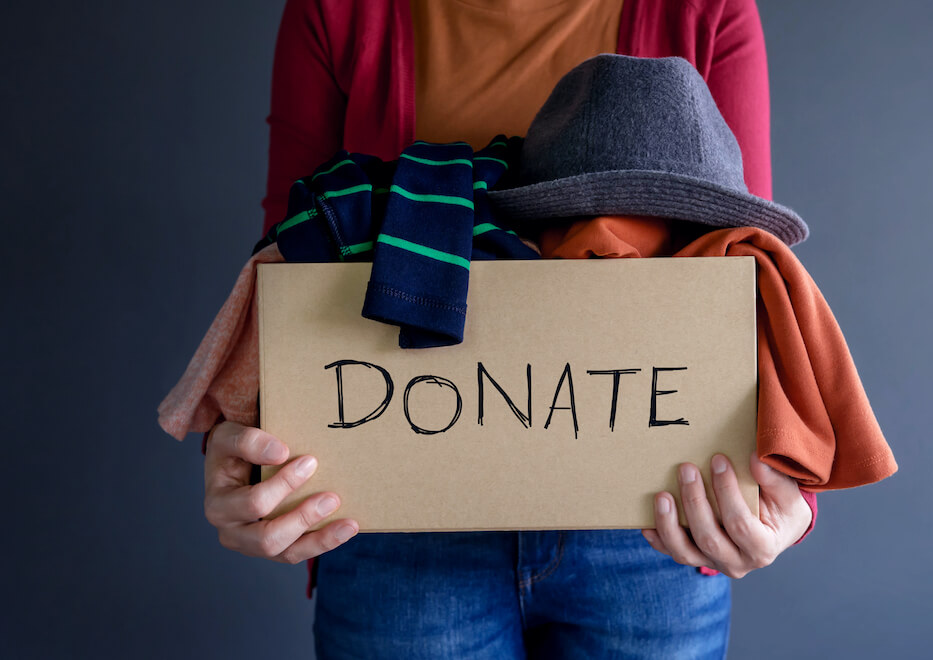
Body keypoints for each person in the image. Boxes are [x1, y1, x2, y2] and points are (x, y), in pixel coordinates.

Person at [202, 1, 817, 657]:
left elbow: (747, 273)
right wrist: (243, 450)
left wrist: (786, 495)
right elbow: (284, 268)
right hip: (398, 509)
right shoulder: (339, 12)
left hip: (649, 512)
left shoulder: (705, 10)